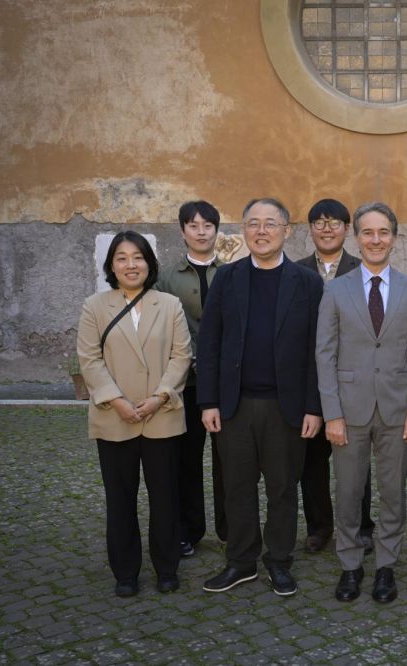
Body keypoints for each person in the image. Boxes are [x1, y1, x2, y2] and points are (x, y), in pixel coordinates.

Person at [196, 198, 324, 595]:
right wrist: (208, 401)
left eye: (271, 223)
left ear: (287, 230)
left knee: (283, 488)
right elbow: (210, 342)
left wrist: (314, 407)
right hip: (234, 406)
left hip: (286, 408)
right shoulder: (228, 279)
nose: (262, 230)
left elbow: (318, 350)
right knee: (236, 486)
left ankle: (280, 560)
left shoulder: (307, 283)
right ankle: (241, 560)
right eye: (253, 223)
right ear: (244, 230)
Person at [316, 202, 407, 604]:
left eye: (383, 232)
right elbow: (324, 355)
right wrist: (332, 413)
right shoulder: (335, 289)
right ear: (357, 237)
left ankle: (385, 566)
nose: (375, 239)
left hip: (398, 410)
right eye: (368, 232)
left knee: (393, 491)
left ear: (394, 238)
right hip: (349, 409)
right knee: (347, 492)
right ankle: (349, 565)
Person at [77, 230, 193, 597]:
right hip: (115, 417)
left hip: (162, 414)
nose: (131, 264)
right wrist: (117, 400)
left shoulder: (169, 305)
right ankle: (125, 572)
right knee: (120, 498)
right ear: (111, 265)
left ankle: (166, 568)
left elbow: (181, 356)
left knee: (165, 497)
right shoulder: (95, 306)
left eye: (138, 257)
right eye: (122, 258)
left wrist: (159, 397)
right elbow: (89, 360)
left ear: (149, 262)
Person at [297, 199, 376, 555]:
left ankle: (361, 526)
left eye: (334, 222)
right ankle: (319, 527)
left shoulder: (364, 270)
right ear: (309, 228)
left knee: (357, 462)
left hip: (355, 379)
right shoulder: (294, 272)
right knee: (311, 463)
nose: (326, 228)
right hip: (310, 381)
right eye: (318, 222)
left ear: (348, 229)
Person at [155, 200, 226, 556]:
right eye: (193, 225)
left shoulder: (231, 273)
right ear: (182, 231)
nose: (201, 231)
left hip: (225, 383)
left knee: (228, 458)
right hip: (185, 384)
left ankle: (231, 528)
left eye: (207, 225)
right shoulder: (166, 277)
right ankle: (188, 529)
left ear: (217, 230)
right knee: (185, 459)